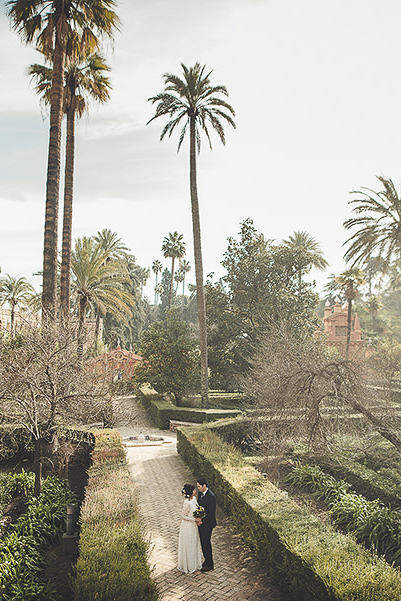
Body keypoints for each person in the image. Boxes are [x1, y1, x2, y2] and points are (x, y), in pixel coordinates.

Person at [177, 483, 202, 573]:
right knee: (188, 543)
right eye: (194, 490)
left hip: (193, 526)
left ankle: (194, 563)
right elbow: (183, 516)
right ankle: (188, 565)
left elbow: (197, 509)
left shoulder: (194, 499)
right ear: (191, 492)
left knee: (194, 543)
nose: (195, 491)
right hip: (187, 526)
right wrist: (194, 519)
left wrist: (200, 517)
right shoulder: (187, 503)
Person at [196, 477, 217, 572]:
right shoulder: (200, 494)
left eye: (199, 487)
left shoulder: (211, 496)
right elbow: (199, 507)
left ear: (205, 486)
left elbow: (211, 513)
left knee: (206, 542)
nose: (198, 489)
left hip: (208, 523)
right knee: (202, 542)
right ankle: (206, 560)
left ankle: (210, 563)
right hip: (201, 523)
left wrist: (201, 520)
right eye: (197, 487)